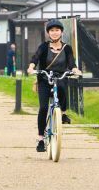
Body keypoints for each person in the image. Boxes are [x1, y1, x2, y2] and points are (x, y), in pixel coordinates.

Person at [27, 19, 81, 152]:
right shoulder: (44, 47)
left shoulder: (66, 48)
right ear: (48, 33)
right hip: (45, 79)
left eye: (57, 30)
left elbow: (71, 63)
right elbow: (35, 58)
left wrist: (75, 70)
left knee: (62, 86)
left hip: (60, 77)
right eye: (52, 30)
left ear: (61, 32)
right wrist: (31, 67)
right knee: (43, 108)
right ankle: (40, 139)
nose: (55, 33)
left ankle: (62, 113)